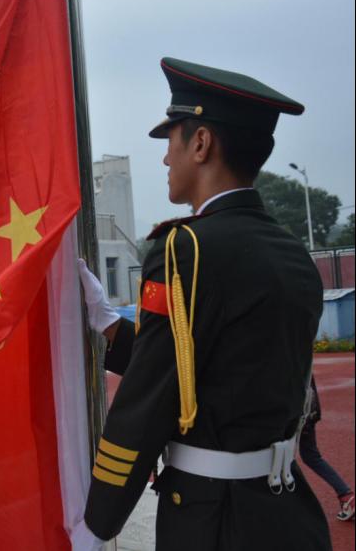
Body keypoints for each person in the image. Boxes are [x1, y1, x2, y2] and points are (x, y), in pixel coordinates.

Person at [73, 57, 332, 550]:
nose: (165, 160)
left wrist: (96, 521)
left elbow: (148, 396)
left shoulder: (184, 251)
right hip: (288, 511)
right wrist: (109, 325)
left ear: (201, 143)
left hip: (214, 520)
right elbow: (221, 367)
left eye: (171, 141)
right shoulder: (293, 252)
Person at [300, 376, 355, 522]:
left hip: (289, 415)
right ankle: (347, 496)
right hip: (308, 410)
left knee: (277, 460)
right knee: (311, 457)